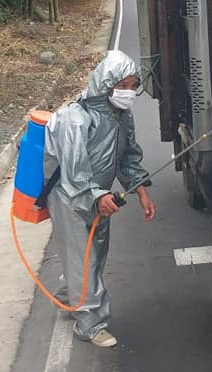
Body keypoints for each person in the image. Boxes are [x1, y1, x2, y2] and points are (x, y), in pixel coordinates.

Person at [44, 50, 156, 347]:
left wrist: (141, 191)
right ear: (107, 84)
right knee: (84, 258)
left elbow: (128, 158)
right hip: (70, 198)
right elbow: (75, 172)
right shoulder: (74, 119)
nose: (129, 92)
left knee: (95, 255)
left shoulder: (121, 116)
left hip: (99, 196)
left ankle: (70, 295)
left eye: (133, 86)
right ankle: (91, 325)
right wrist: (97, 196)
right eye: (123, 86)